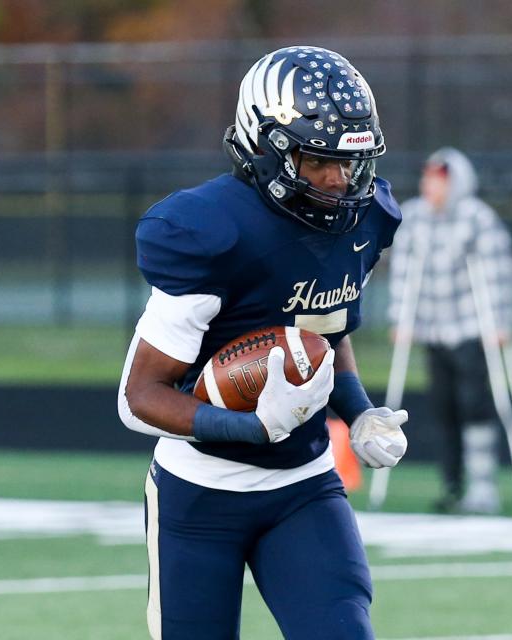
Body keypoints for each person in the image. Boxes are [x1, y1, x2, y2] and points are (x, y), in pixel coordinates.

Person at [118, 46, 409, 640]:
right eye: (315, 160)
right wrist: (253, 427)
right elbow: (138, 398)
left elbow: (325, 332)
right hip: (200, 494)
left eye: (349, 163)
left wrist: (359, 414)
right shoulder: (210, 230)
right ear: (267, 148)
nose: (337, 180)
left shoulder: (366, 219)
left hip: (303, 488)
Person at [387, 147, 512, 515]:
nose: (431, 187)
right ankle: (452, 484)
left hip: (471, 327)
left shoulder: (478, 219)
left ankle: (482, 485)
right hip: (432, 327)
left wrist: (499, 321)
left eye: (439, 180)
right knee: (443, 408)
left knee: (474, 404)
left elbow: (496, 273)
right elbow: (401, 272)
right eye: (429, 179)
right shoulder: (414, 218)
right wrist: (401, 319)